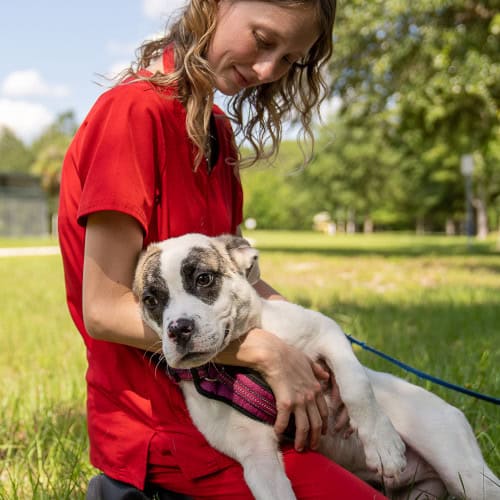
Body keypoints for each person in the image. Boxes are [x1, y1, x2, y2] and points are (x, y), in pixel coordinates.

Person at [58, 1, 388, 498]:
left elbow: (237, 282)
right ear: (214, 5)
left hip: (241, 401)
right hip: (167, 432)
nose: (267, 70)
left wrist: (324, 360)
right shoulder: (132, 114)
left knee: (397, 470)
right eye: (262, 39)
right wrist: (269, 354)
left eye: (289, 60)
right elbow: (103, 311)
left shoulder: (218, 130)